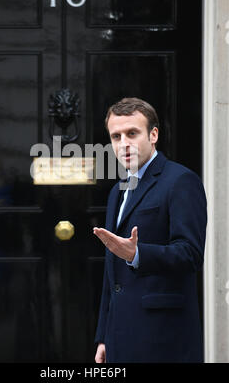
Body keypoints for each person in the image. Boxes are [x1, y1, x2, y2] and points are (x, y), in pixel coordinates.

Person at [93, 97, 207, 363]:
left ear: (153, 134)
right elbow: (112, 276)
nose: (124, 144)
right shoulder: (116, 191)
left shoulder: (180, 181)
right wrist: (103, 336)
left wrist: (137, 254)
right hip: (120, 336)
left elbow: (190, 253)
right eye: (116, 136)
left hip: (163, 336)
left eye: (132, 133)